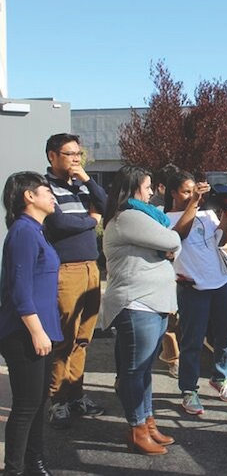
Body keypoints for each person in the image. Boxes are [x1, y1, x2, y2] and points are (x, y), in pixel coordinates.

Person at [100, 165, 181, 455]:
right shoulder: (129, 217)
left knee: (145, 369)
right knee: (135, 371)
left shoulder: (143, 216)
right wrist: (170, 245)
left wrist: (170, 245)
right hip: (138, 304)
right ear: (133, 187)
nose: (150, 192)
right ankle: (137, 429)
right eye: (147, 186)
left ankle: (147, 423)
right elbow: (172, 240)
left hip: (152, 303)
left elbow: (171, 243)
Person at [43, 133, 108, 429]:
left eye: (79, 154)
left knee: (84, 338)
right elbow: (59, 223)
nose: (75, 159)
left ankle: (76, 396)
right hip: (65, 270)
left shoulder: (82, 186)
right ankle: (57, 401)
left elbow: (108, 206)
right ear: (52, 156)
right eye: (70, 154)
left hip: (91, 269)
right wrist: (92, 221)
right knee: (63, 339)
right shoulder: (44, 188)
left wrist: (88, 181)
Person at [0, 172, 63, 475]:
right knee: (26, 405)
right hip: (25, 333)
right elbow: (20, 289)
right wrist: (37, 332)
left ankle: (34, 463)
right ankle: (13, 469)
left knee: (38, 403)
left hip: (42, 332)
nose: (53, 196)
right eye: (47, 190)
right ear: (29, 196)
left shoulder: (37, 231)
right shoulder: (23, 231)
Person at [164, 171, 227, 415]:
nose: (190, 196)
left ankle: (220, 378)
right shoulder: (166, 218)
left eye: (193, 191)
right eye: (185, 191)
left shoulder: (207, 213)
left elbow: (221, 240)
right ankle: (188, 390)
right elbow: (179, 236)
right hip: (193, 286)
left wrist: (226, 213)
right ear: (173, 193)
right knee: (192, 341)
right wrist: (194, 202)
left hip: (221, 281)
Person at [149, 163, 182, 379]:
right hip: (164, 272)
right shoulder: (155, 210)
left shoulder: (180, 206)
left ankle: (170, 356)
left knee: (176, 318)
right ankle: (174, 360)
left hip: (181, 270)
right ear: (162, 187)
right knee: (169, 318)